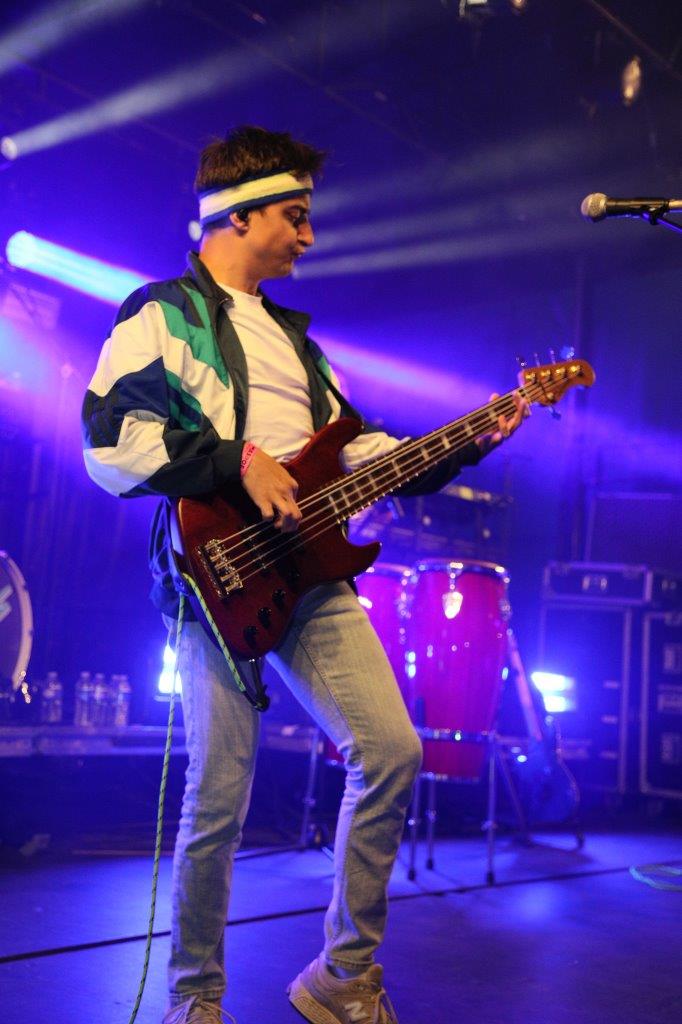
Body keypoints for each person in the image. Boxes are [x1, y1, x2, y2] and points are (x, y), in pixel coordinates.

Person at [82, 125, 527, 1024]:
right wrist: (237, 461)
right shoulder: (161, 313)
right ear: (239, 215)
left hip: (313, 574)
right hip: (215, 578)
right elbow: (110, 443)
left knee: (393, 751)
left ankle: (342, 975)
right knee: (218, 798)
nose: (309, 235)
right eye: (296, 215)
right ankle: (195, 998)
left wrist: (464, 441)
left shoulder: (298, 345)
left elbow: (355, 451)